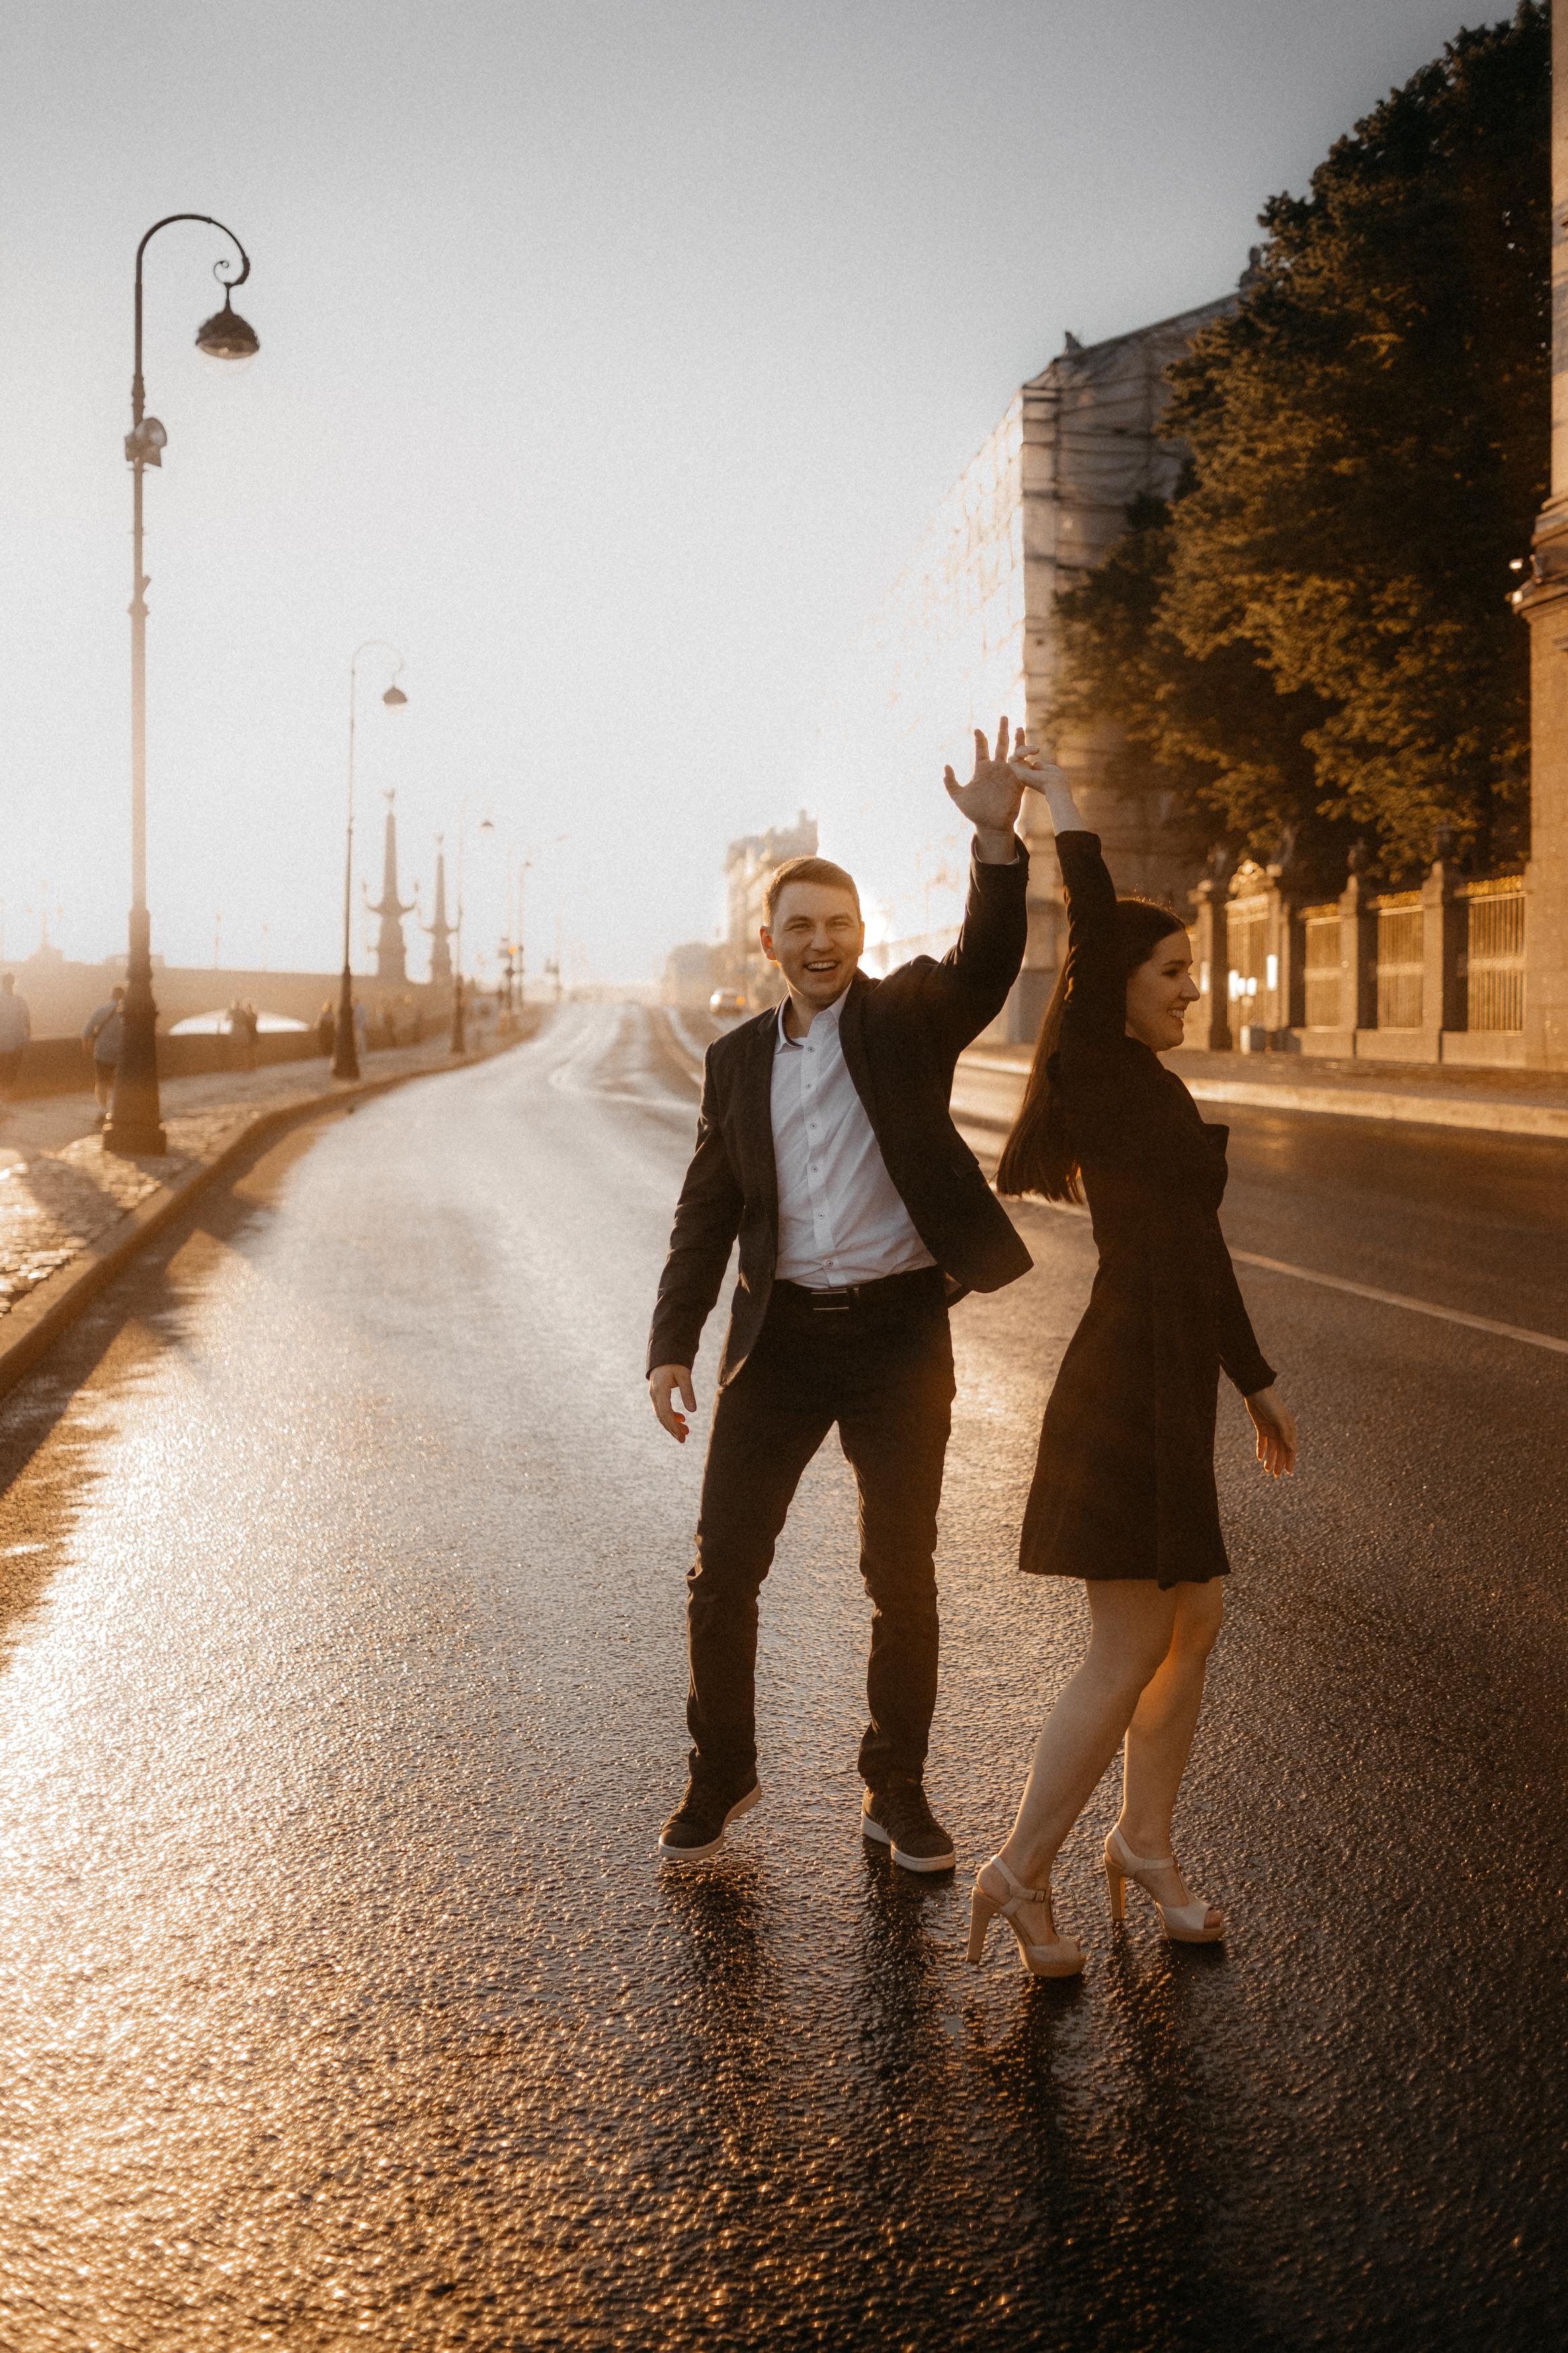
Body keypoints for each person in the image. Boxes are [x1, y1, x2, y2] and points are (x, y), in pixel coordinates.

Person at [647, 721, 1035, 1869]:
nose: (821, 944)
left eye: (840, 927)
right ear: (768, 942)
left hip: (896, 1339)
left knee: (899, 1578)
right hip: (775, 1346)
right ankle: (721, 1775)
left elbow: (985, 963)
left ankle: (895, 1789)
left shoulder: (906, 1016)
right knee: (723, 1575)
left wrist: (996, 844)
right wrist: (671, 1346)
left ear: (862, 938)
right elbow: (705, 1214)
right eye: (800, 928)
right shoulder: (734, 1063)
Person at [966, 745, 1296, 1981]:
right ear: (1116, 981)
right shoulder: (1101, 1067)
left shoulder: (1151, 1088)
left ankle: (1142, 1844)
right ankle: (1019, 1870)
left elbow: (1196, 1256)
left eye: (1191, 974)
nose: (1188, 992)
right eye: (1172, 972)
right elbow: (1095, 921)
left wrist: (1253, 1380)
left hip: (1164, 1384)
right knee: (1125, 1644)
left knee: (1192, 1617)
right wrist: (1060, 810)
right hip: (1119, 1388)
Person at [82, 986, 126, 1124]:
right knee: (119, 1082)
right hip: (121, 1054)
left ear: (111, 995)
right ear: (123, 997)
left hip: (102, 1052)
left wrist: (88, 1048)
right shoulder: (127, 1013)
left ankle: (103, 1109)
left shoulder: (101, 1011)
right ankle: (117, 1109)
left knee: (102, 1082)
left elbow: (86, 1032)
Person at [0, 974, 31, 1101]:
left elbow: (26, 1020)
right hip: (8, 1038)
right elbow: (27, 1021)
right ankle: (4, 1089)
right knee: (8, 1065)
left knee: (11, 1064)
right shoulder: (18, 1000)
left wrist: (27, 1033)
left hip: (14, 1038)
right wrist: (28, 1034)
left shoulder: (19, 1000)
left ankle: (5, 1089)